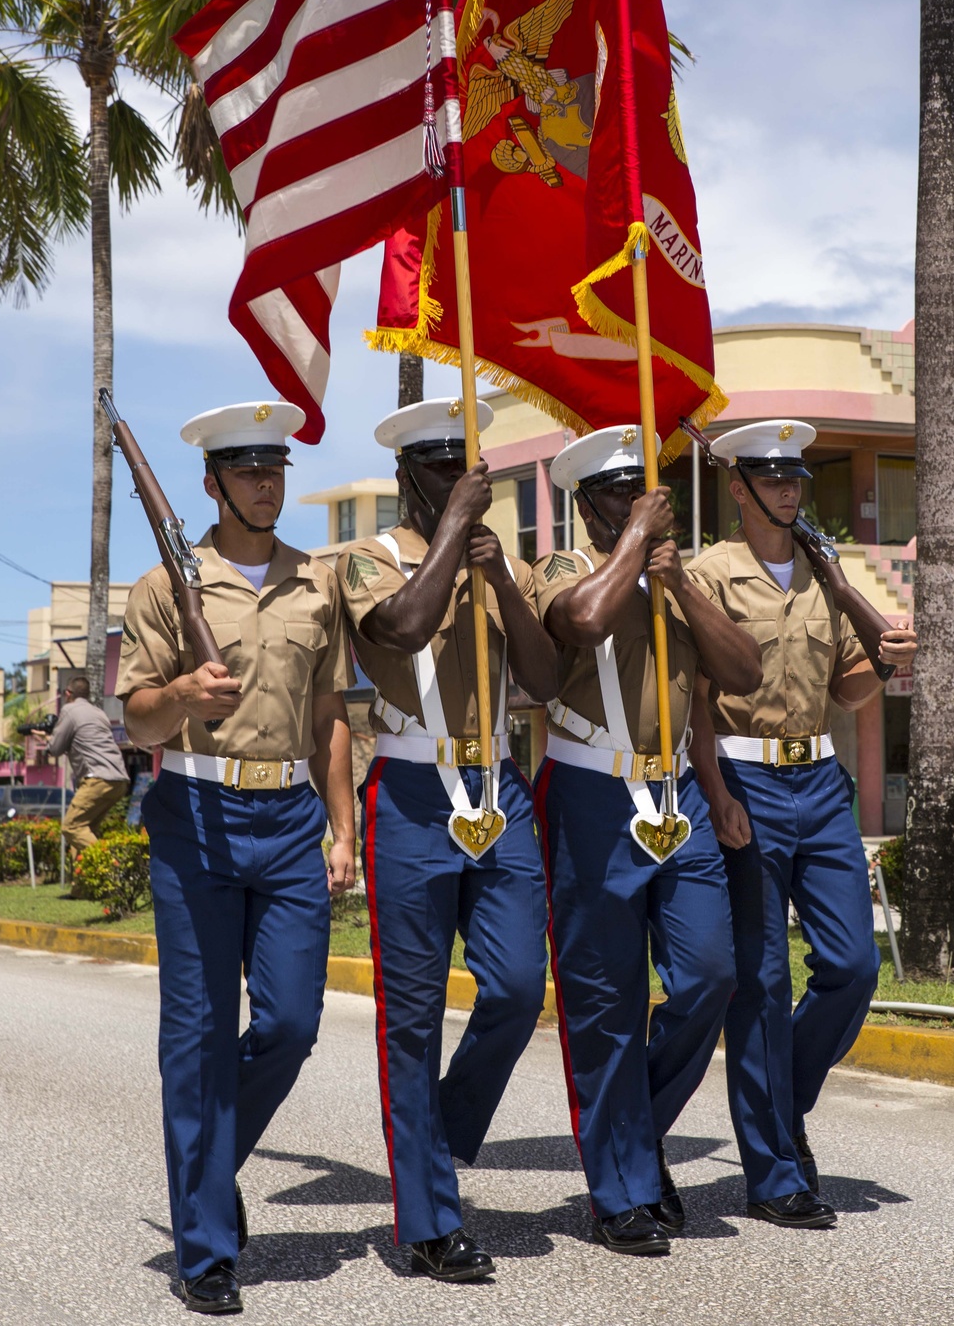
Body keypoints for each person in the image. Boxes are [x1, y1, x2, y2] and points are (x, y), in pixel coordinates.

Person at [117, 401, 355, 1316]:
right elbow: (138, 715)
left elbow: (333, 714)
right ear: (213, 484)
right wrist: (179, 691)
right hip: (195, 815)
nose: (268, 483)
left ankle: (206, 1172)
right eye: (250, 471)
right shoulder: (164, 586)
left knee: (291, 1022)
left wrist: (343, 828)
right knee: (199, 1034)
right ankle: (208, 1246)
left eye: (278, 469)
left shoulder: (315, 582)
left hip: (290, 815)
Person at [336, 397, 557, 1284]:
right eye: (441, 470)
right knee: (413, 1013)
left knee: (515, 985)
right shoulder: (368, 560)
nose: (465, 484)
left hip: (498, 783)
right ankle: (428, 1220)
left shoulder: (503, 563)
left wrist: (500, 578)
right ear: (406, 478)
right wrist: (454, 532)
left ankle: (445, 1127)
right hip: (413, 787)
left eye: (474, 471)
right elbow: (400, 630)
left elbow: (544, 678)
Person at [532, 425, 762, 1256]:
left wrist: (683, 588)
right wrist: (636, 541)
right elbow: (585, 621)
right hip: (590, 790)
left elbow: (743, 674)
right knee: (605, 1000)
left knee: (710, 974)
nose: (637, 505)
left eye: (645, 494)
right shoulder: (560, 566)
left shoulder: (680, 573)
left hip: (675, 791)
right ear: (587, 504)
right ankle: (620, 1189)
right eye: (620, 496)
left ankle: (635, 1134)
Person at [687, 420, 918, 1229]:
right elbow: (695, 704)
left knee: (854, 967)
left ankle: (782, 1104)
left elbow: (847, 690)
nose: (789, 491)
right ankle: (775, 1170)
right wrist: (714, 791)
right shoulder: (708, 575)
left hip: (819, 781)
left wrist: (886, 661)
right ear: (738, 489)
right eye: (773, 479)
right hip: (743, 776)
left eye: (796, 479)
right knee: (760, 981)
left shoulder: (827, 573)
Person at [46, 675, 130, 859]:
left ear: (68, 693)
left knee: (71, 827)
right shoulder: (99, 713)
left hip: (97, 779)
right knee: (84, 831)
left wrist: (47, 739)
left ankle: (110, 866)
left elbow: (55, 749)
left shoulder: (69, 710)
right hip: (119, 780)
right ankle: (83, 887)